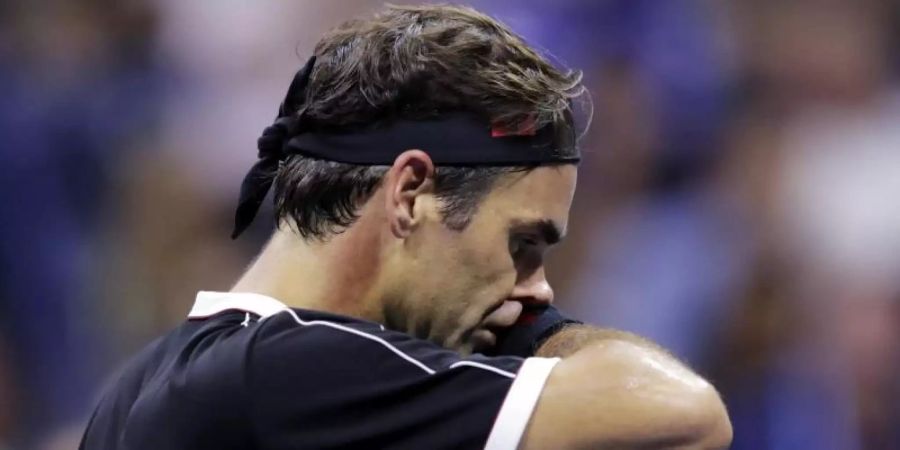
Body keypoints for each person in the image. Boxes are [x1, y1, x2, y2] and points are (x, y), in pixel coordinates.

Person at [80, 4, 731, 449]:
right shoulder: (291, 369)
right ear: (410, 193)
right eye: (521, 244)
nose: (537, 289)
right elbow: (682, 418)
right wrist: (541, 335)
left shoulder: (139, 384)